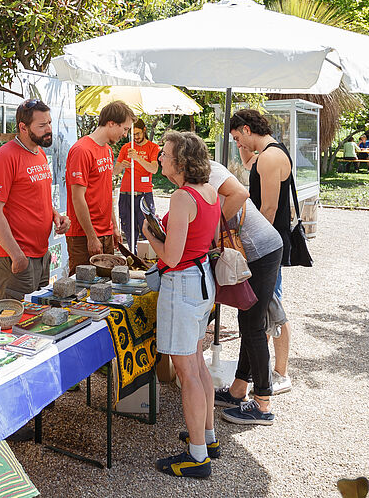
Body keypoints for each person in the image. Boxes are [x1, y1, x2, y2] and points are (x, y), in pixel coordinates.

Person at [143, 131, 220, 478]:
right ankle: (207, 437)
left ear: (181, 161)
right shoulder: (209, 192)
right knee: (198, 363)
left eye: (165, 153)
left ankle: (197, 456)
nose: (160, 157)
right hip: (202, 280)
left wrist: (150, 235)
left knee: (187, 372)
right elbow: (196, 240)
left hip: (183, 285)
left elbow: (171, 258)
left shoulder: (181, 197)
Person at [208, 161, 283, 426]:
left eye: (166, 153)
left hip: (261, 251)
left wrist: (212, 228)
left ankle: (262, 404)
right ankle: (238, 390)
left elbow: (240, 193)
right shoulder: (198, 174)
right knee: (248, 322)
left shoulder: (207, 169)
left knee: (253, 326)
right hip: (258, 251)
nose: (161, 158)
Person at [229, 109, 294, 395]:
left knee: (273, 307)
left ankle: (281, 373)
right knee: (266, 307)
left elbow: (268, 209)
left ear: (247, 129)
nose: (237, 144)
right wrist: (241, 145)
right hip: (271, 245)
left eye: (237, 137)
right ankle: (260, 373)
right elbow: (247, 163)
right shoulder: (266, 153)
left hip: (268, 247)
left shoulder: (269, 157)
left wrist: (250, 247)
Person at [0, 99, 70, 301]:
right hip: (16, 257)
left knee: (38, 315)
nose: (49, 129)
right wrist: (16, 255)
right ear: (23, 127)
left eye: (49, 123)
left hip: (41, 255)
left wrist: (55, 215)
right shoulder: (5, 157)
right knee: (14, 315)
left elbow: (37, 197)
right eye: (42, 126)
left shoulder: (39, 153)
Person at [65, 100, 134, 275]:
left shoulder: (108, 150)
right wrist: (91, 236)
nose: (125, 134)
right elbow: (77, 197)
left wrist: (114, 227)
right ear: (111, 123)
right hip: (83, 235)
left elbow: (106, 192)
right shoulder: (82, 150)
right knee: (82, 285)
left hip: (105, 233)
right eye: (125, 129)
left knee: (107, 284)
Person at [113, 118, 160, 248]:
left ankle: (146, 255)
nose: (135, 137)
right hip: (126, 193)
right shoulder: (126, 148)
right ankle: (132, 254)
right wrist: (121, 165)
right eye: (133, 134)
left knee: (147, 229)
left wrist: (138, 158)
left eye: (138, 133)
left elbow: (154, 169)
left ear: (144, 130)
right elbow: (115, 171)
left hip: (144, 193)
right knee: (128, 229)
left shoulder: (153, 147)